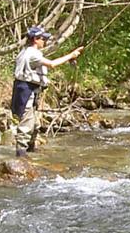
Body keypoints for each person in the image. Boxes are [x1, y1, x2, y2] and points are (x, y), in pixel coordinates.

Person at [11, 26, 83, 157]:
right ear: (35, 39)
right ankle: (21, 155)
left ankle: (31, 150)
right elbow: (52, 64)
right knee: (26, 123)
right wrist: (71, 55)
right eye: (42, 38)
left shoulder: (25, 51)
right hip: (26, 90)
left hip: (29, 89)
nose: (44, 41)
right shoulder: (31, 53)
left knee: (35, 123)